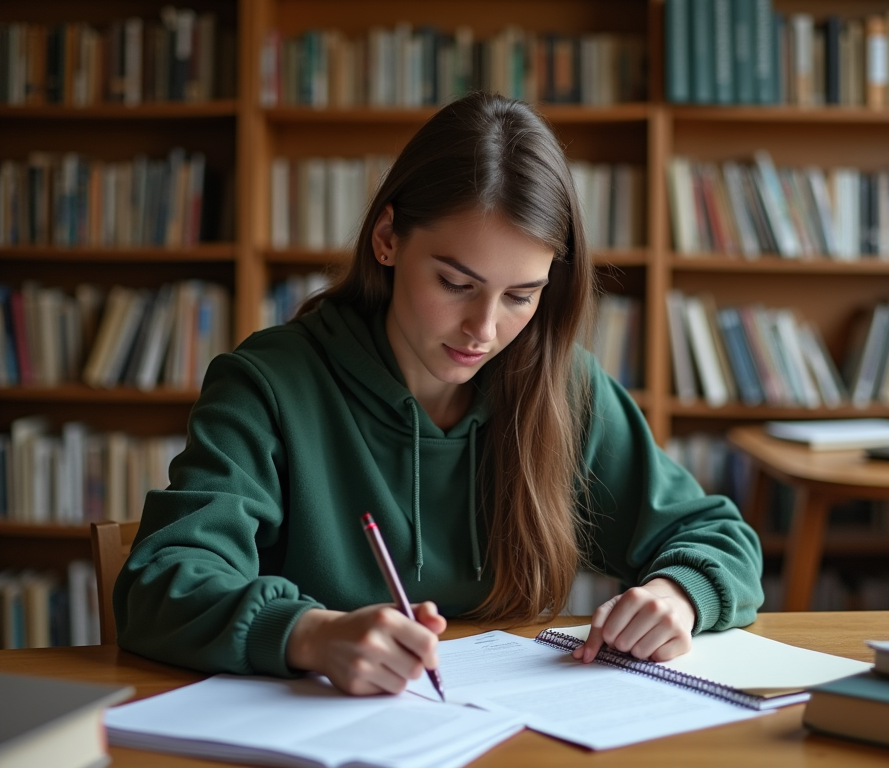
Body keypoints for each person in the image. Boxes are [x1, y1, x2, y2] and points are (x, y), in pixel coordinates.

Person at [114, 91, 763, 696]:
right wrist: (307, 633)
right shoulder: (269, 383)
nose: (484, 330)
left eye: (521, 296)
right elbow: (161, 581)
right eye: (456, 283)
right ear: (388, 239)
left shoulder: (564, 387)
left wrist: (679, 594)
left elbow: (717, 535)